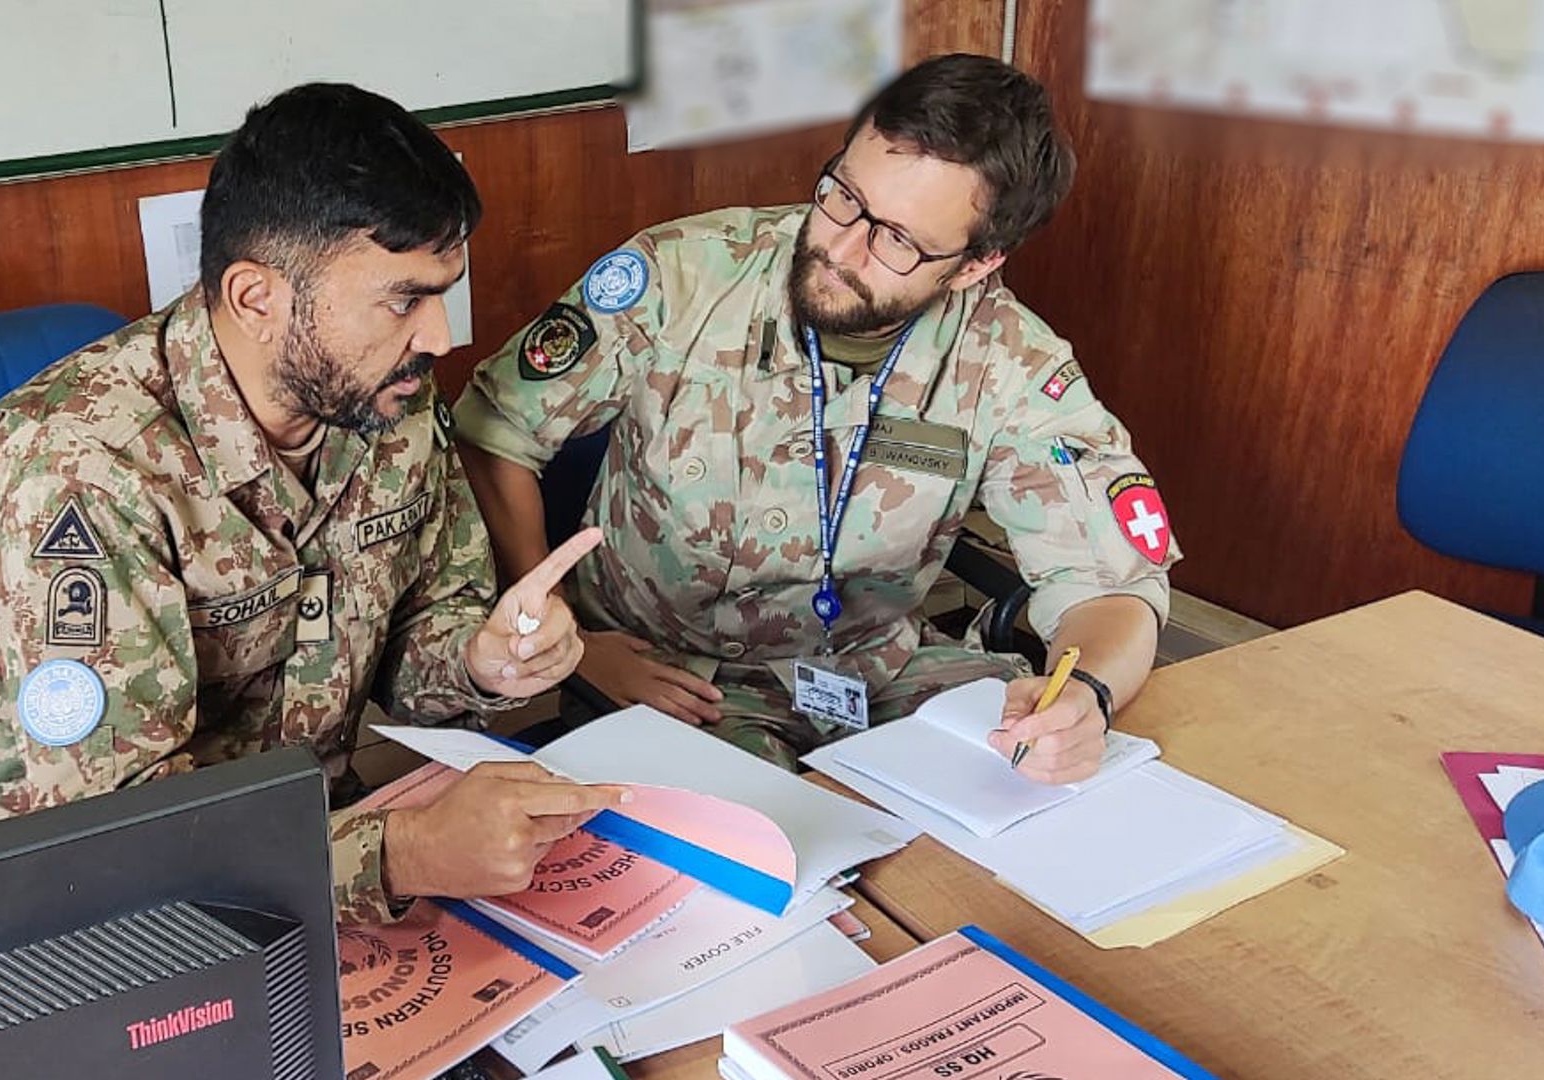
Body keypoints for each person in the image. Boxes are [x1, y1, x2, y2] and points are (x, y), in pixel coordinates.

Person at [0, 83, 628, 926]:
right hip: (63, 908)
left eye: (442, 294)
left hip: (298, 847)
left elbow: (422, 624)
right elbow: (110, 836)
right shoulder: (73, 474)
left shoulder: (381, 401)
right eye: (404, 299)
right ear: (257, 299)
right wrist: (404, 854)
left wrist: (483, 660)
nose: (437, 336)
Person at [454, 54, 1180, 776]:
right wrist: (574, 643)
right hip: (672, 677)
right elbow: (496, 432)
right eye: (842, 195)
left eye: (897, 239)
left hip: (876, 670)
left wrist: (1084, 695)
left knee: (1037, 804)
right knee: (754, 861)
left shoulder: (1009, 361)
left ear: (972, 266)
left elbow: (1113, 585)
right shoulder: (683, 278)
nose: (839, 246)